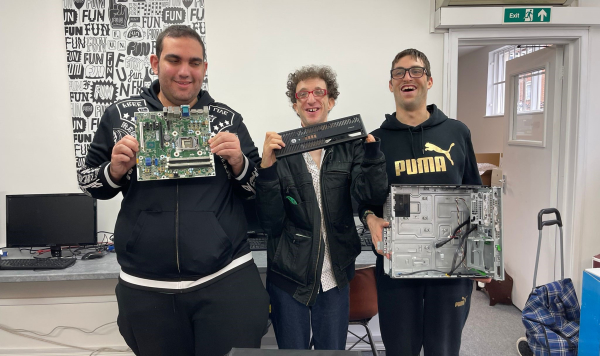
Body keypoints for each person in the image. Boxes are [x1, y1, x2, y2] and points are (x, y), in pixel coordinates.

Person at [77, 25, 269, 356]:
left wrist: (239, 162)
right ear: (155, 62)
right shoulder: (120, 117)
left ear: (204, 69)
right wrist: (115, 170)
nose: (184, 71)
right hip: (146, 288)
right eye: (173, 60)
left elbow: (260, 190)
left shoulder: (227, 119)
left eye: (194, 62)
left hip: (226, 280)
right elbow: (88, 182)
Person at [360, 49, 484, 356]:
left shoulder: (457, 131)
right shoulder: (375, 141)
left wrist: (483, 255)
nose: (407, 77)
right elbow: (364, 199)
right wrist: (369, 217)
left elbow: (476, 195)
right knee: (400, 348)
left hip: (451, 266)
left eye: (415, 71)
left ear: (428, 80)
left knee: (443, 349)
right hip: (397, 264)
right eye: (399, 72)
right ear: (391, 85)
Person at [255, 65, 388, 350]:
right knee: (293, 351)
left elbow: (370, 195)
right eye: (302, 94)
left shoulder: (349, 148)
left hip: (335, 275)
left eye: (319, 92)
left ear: (331, 101)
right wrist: (265, 169)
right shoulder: (279, 153)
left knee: (332, 350)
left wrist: (373, 157)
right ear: (295, 104)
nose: (311, 98)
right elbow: (270, 222)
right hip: (289, 277)